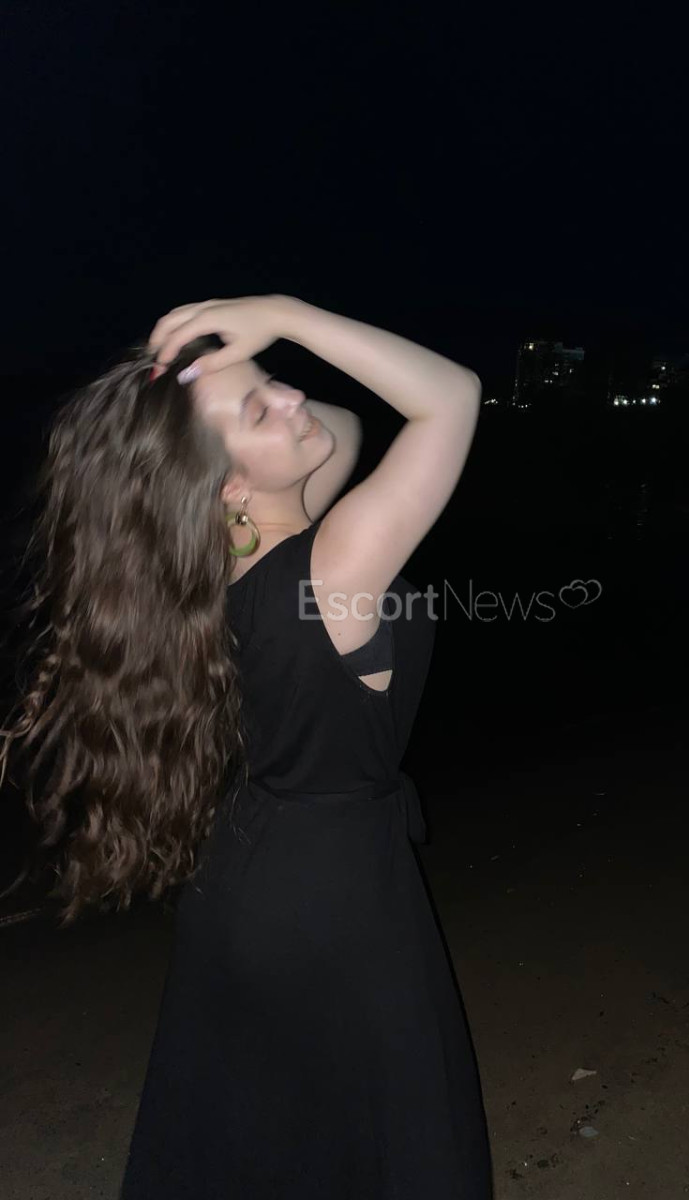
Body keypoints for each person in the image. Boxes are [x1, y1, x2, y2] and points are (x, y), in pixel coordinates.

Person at [0, 294, 494, 1197]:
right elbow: (451, 396)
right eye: (262, 408)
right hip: (333, 896)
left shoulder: (211, 575)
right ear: (228, 488)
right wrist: (283, 315)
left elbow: (345, 428)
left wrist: (238, 381)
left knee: (255, 1130)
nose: (294, 398)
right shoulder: (335, 567)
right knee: (379, 1133)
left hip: (247, 877)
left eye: (276, 385)